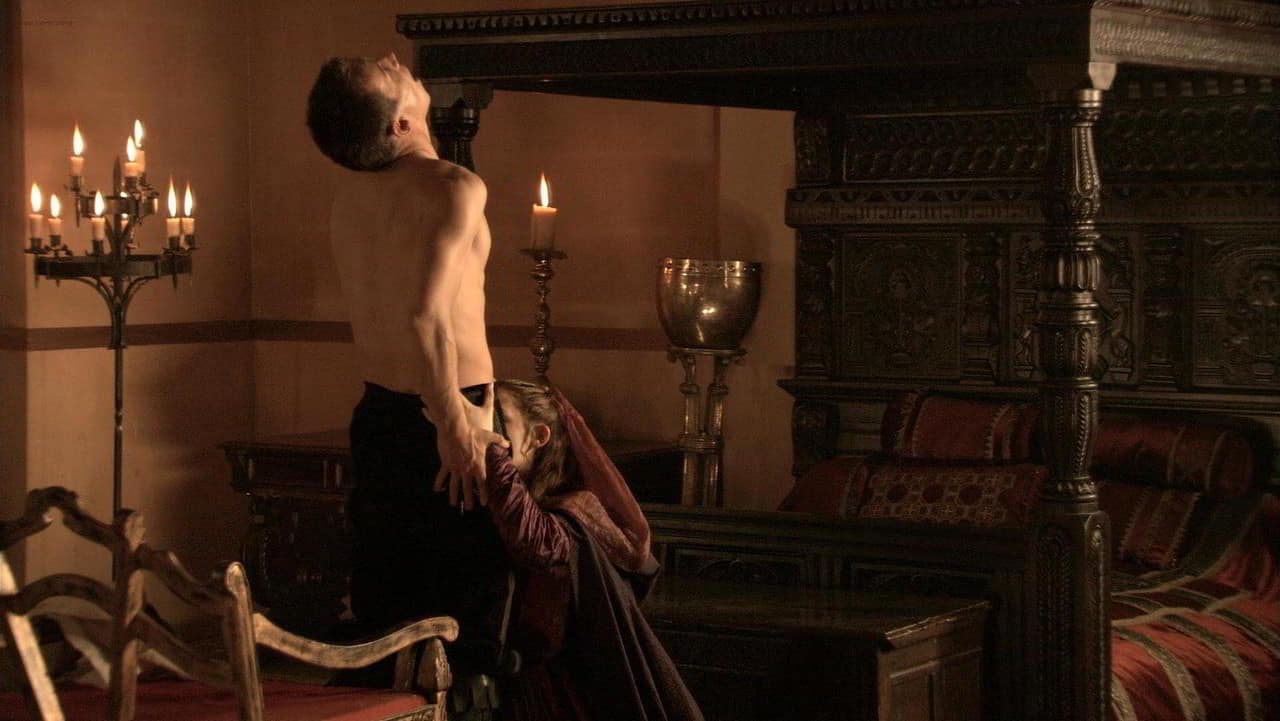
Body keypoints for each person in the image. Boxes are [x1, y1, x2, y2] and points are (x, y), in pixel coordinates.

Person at [305, 53, 512, 673]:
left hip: (381, 414)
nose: (397, 61)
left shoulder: (352, 194)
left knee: (390, 611)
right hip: (445, 413)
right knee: (464, 621)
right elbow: (425, 317)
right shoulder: (453, 186)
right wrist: (454, 428)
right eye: (388, 74)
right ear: (399, 125)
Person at [484, 379, 704, 721]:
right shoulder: (504, 496)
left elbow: (534, 541)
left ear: (539, 436)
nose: (491, 430)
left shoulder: (577, 510)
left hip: (562, 691)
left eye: (501, 420)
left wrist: (490, 447)